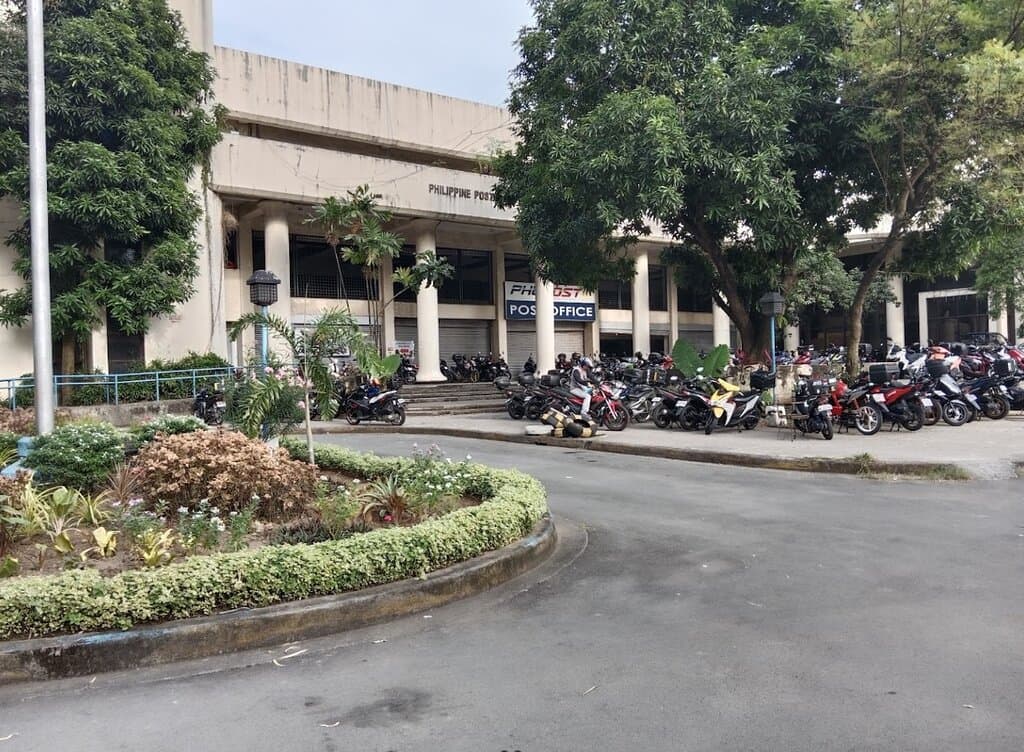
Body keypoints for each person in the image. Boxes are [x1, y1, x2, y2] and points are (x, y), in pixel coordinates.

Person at [569, 356, 595, 421]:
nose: (587, 367)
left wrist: (599, 382)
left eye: (588, 366)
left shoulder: (585, 370)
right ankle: (584, 412)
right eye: (586, 366)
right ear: (582, 364)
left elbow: (592, 377)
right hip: (575, 389)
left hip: (583, 388)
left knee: (594, 394)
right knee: (587, 396)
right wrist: (588, 383)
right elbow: (579, 380)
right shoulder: (576, 370)